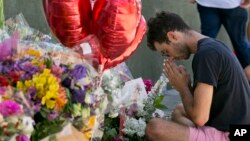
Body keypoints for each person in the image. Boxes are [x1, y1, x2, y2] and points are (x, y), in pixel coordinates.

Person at [146, 11, 250, 141]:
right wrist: (187, 86)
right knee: (179, 111)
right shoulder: (212, 46)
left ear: (172, 36)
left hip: (233, 134)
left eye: (166, 51)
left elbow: (200, 118)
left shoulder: (206, 55)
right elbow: (203, 105)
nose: (170, 57)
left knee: (154, 127)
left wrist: (182, 87)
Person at [189, 0, 250, 82]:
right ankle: (202, 86)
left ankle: (201, 86)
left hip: (213, 4)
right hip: (225, 4)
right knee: (240, 45)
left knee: (205, 46)